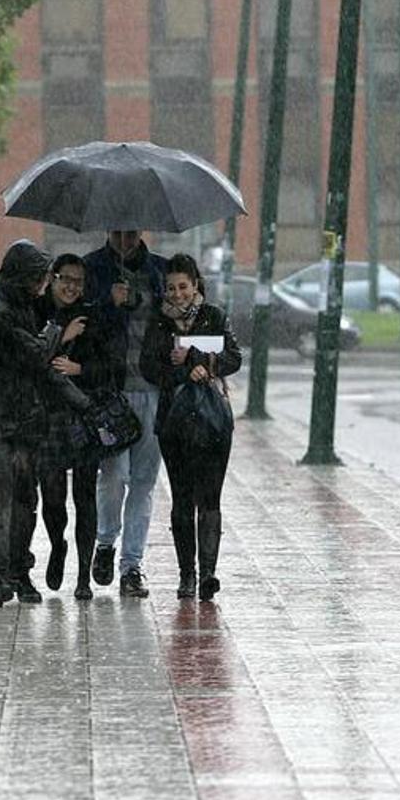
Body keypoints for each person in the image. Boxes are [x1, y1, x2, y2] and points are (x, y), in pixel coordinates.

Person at [0, 240, 93, 608]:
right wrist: (58, 334)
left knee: (24, 500)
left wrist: (83, 404)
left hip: (22, 421)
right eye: (39, 278)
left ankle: (18, 571)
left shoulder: (23, 308)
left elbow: (41, 369)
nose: (43, 285)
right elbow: (34, 356)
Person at [140, 254, 241, 601]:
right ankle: (187, 575)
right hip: (174, 421)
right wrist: (184, 371)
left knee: (210, 498)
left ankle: (209, 574)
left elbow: (234, 358)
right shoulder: (159, 323)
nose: (178, 294)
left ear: (195, 284)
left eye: (183, 286)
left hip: (213, 421)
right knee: (182, 497)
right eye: (171, 288)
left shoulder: (214, 316)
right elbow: (149, 368)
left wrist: (201, 361)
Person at [34, 253, 125, 600]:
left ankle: (84, 575)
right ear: (52, 278)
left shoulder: (92, 317)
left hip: (83, 419)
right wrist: (61, 335)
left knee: (85, 496)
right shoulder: (36, 312)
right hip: (48, 419)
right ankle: (57, 545)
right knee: (53, 499)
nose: (71, 286)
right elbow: (31, 361)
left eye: (78, 281)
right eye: (65, 279)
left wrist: (80, 369)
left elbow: (110, 367)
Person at [84, 229, 167, 597]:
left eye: (132, 229)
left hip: (154, 390)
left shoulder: (161, 272)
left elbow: (182, 323)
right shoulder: (92, 270)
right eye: (118, 229)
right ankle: (105, 542)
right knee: (114, 474)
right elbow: (81, 329)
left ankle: (132, 566)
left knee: (144, 482)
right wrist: (107, 303)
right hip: (112, 394)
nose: (125, 236)